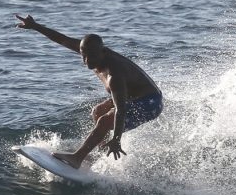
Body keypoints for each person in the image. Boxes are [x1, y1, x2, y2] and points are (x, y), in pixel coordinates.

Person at [15, 14, 163, 169]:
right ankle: (98, 153)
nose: (87, 61)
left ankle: (77, 158)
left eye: (91, 56)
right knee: (98, 111)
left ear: (103, 52)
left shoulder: (114, 75)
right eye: (83, 56)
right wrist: (35, 26)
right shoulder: (88, 50)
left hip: (150, 103)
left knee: (105, 121)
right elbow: (62, 39)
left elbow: (121, 110)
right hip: (133, 97)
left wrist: (116, 140)